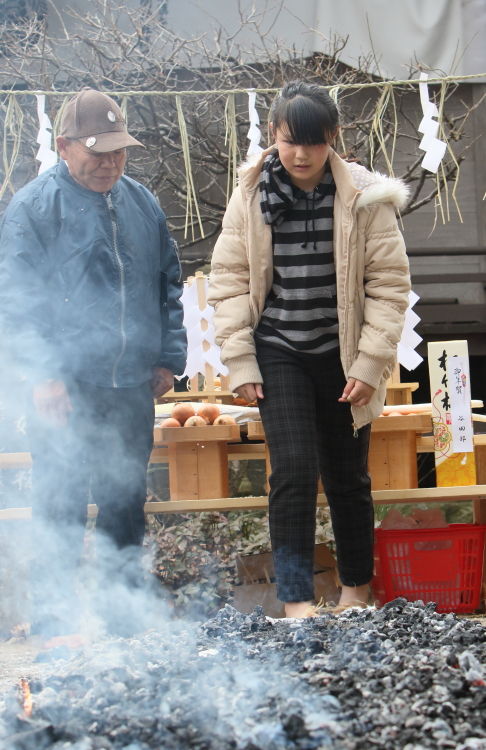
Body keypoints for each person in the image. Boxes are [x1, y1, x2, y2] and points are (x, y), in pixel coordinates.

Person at [208, 80, 410, 618]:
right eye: (289, 140)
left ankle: (355, 594)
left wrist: (370, 364)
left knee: (348, 477)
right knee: (292, 472)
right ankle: (296, 599)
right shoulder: (250, 194)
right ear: (274, 134)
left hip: (344, 353)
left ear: (333, 138)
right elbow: (226, 281)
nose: (300, 154)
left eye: (314, 142)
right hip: (278, 349)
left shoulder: (365, 197)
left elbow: (389, 288)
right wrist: (241, 361)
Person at [0, 88, 187, 641]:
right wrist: (43, 375)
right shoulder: (34, 207)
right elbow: (16, 300)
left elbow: (167, 283)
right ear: (63, 146)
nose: (109, 162)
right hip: (65, 385)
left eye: (118, 152)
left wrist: (168, 358)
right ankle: (56, 623)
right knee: (59, 500)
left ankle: (123, 618)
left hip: (130, 382)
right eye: (96, 151)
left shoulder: (141, 201)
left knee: (126, 500)